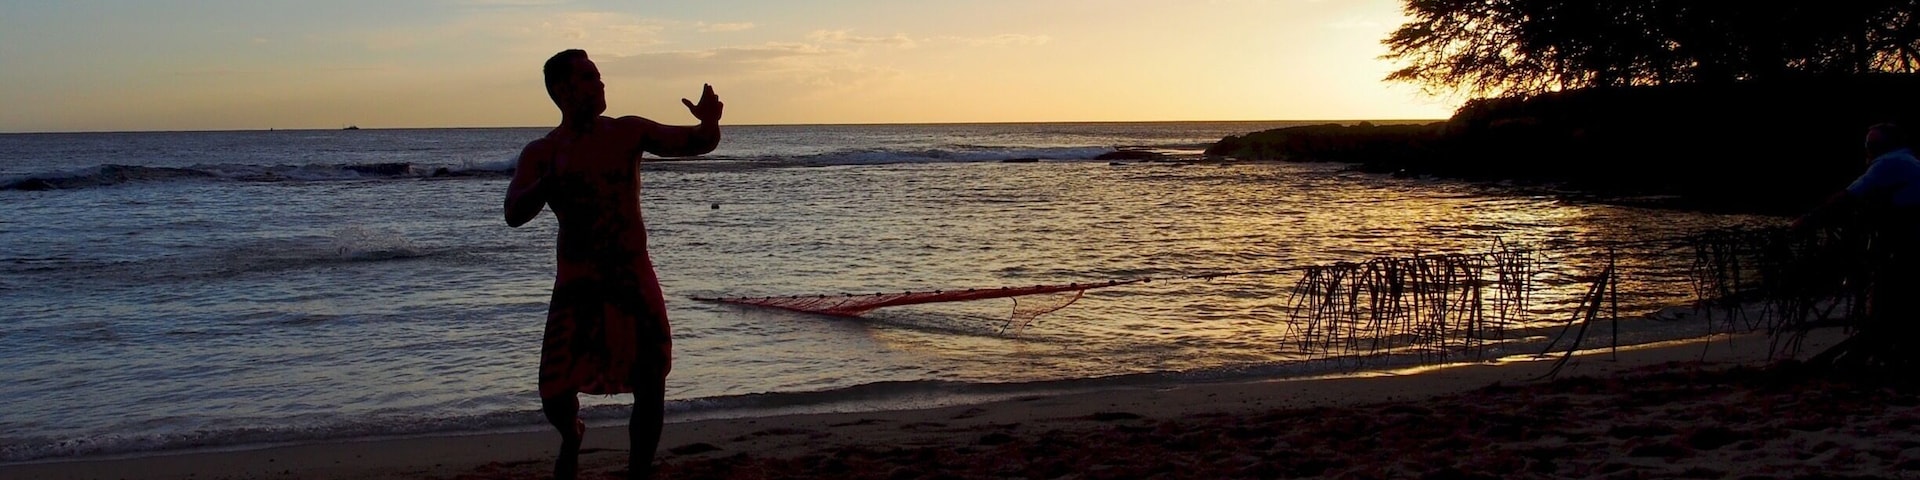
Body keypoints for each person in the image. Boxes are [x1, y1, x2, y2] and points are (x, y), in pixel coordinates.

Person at [505, 49, 722, 479]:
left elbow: (697, 144)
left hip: (632, 273)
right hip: (578, 281)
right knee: (555, 391)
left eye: (599, 76)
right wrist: (548, 182)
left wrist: (709, 121)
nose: (600, 85)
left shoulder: (628, 132)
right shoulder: (543, 151)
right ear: (563, 90)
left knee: (650, 377)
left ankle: (638, 470)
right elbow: (513, 212)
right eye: (589, 78)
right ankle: (572, 434)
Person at [1794, 123, 1919, 367]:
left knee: (1887, 295)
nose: (1868, 151)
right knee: (1900, 300)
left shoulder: (1888, 163)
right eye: (1867, 145)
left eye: (1871, 146)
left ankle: (1881, 353)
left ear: (1883, 147)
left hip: (1907, 242)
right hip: (1907, 239)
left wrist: (1806, 222)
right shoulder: (1909, 160)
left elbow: (1848, 198)